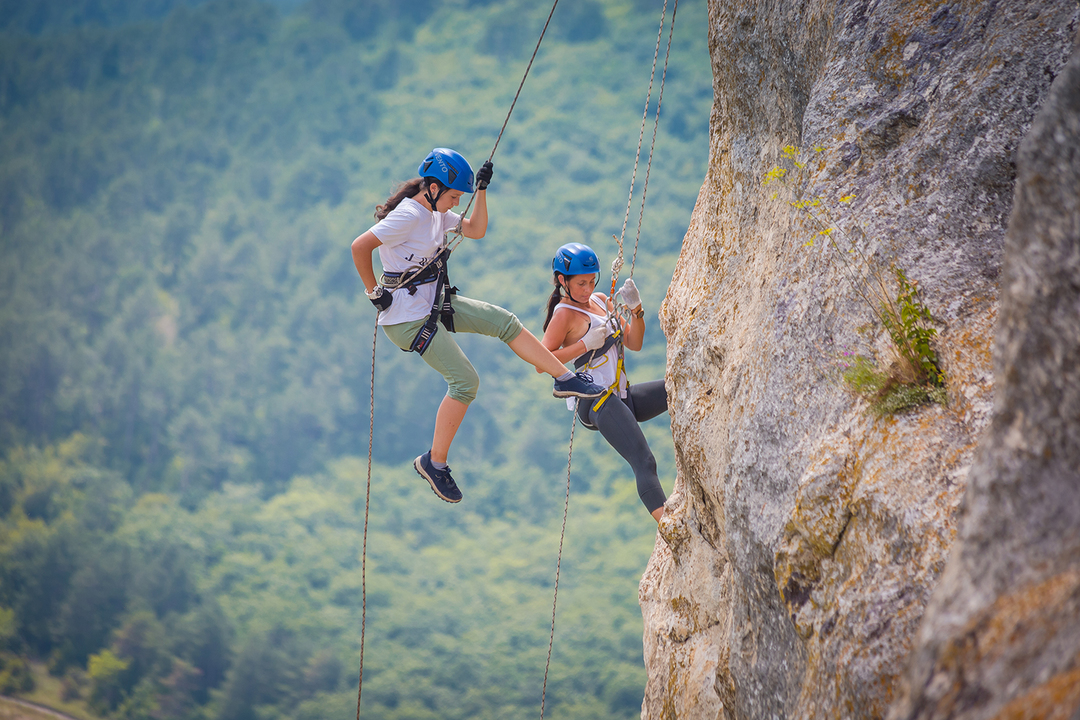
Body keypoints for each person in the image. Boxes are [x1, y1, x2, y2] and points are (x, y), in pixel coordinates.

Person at [351, 149, 604, 505]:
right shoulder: (409, 215)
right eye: (454, 196)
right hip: (407, 318)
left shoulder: (437, 212)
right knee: (465, 382)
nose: (457, 203)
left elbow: (476, 230)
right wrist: (374, 292)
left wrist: (481, 190)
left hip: (431, 301)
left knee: (504, 322)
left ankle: (564, 378)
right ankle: (434, 462)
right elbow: (360, 246)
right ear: (434, 188)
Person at [539, 242, 669, 522]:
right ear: (563, 281)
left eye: (592, 281)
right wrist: (584, 344)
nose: (587, 289)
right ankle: (669, 524)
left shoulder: (600, 300)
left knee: (676, 388)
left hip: (621, 396)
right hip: (594, 401)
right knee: (643, 460)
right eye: (581, 283)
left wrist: (637, 311)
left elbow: (634, 343)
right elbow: (541, 362)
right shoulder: (564, 314)